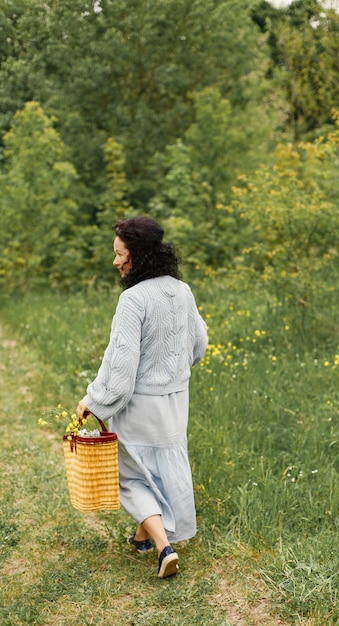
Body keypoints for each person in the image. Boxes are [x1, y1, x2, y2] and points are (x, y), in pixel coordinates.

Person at [77, 216, 208, 578]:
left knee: (130, 479)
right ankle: (142, 540)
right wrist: (175, 372)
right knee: (161, 470)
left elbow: (120, 367)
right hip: (175, 401)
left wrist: (93, 400)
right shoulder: (182, 291)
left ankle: (164, 546)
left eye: (120, 254)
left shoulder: (133, 300)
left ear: (140, 255)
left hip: (140, 405)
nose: (115, 261)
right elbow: (199, 344)